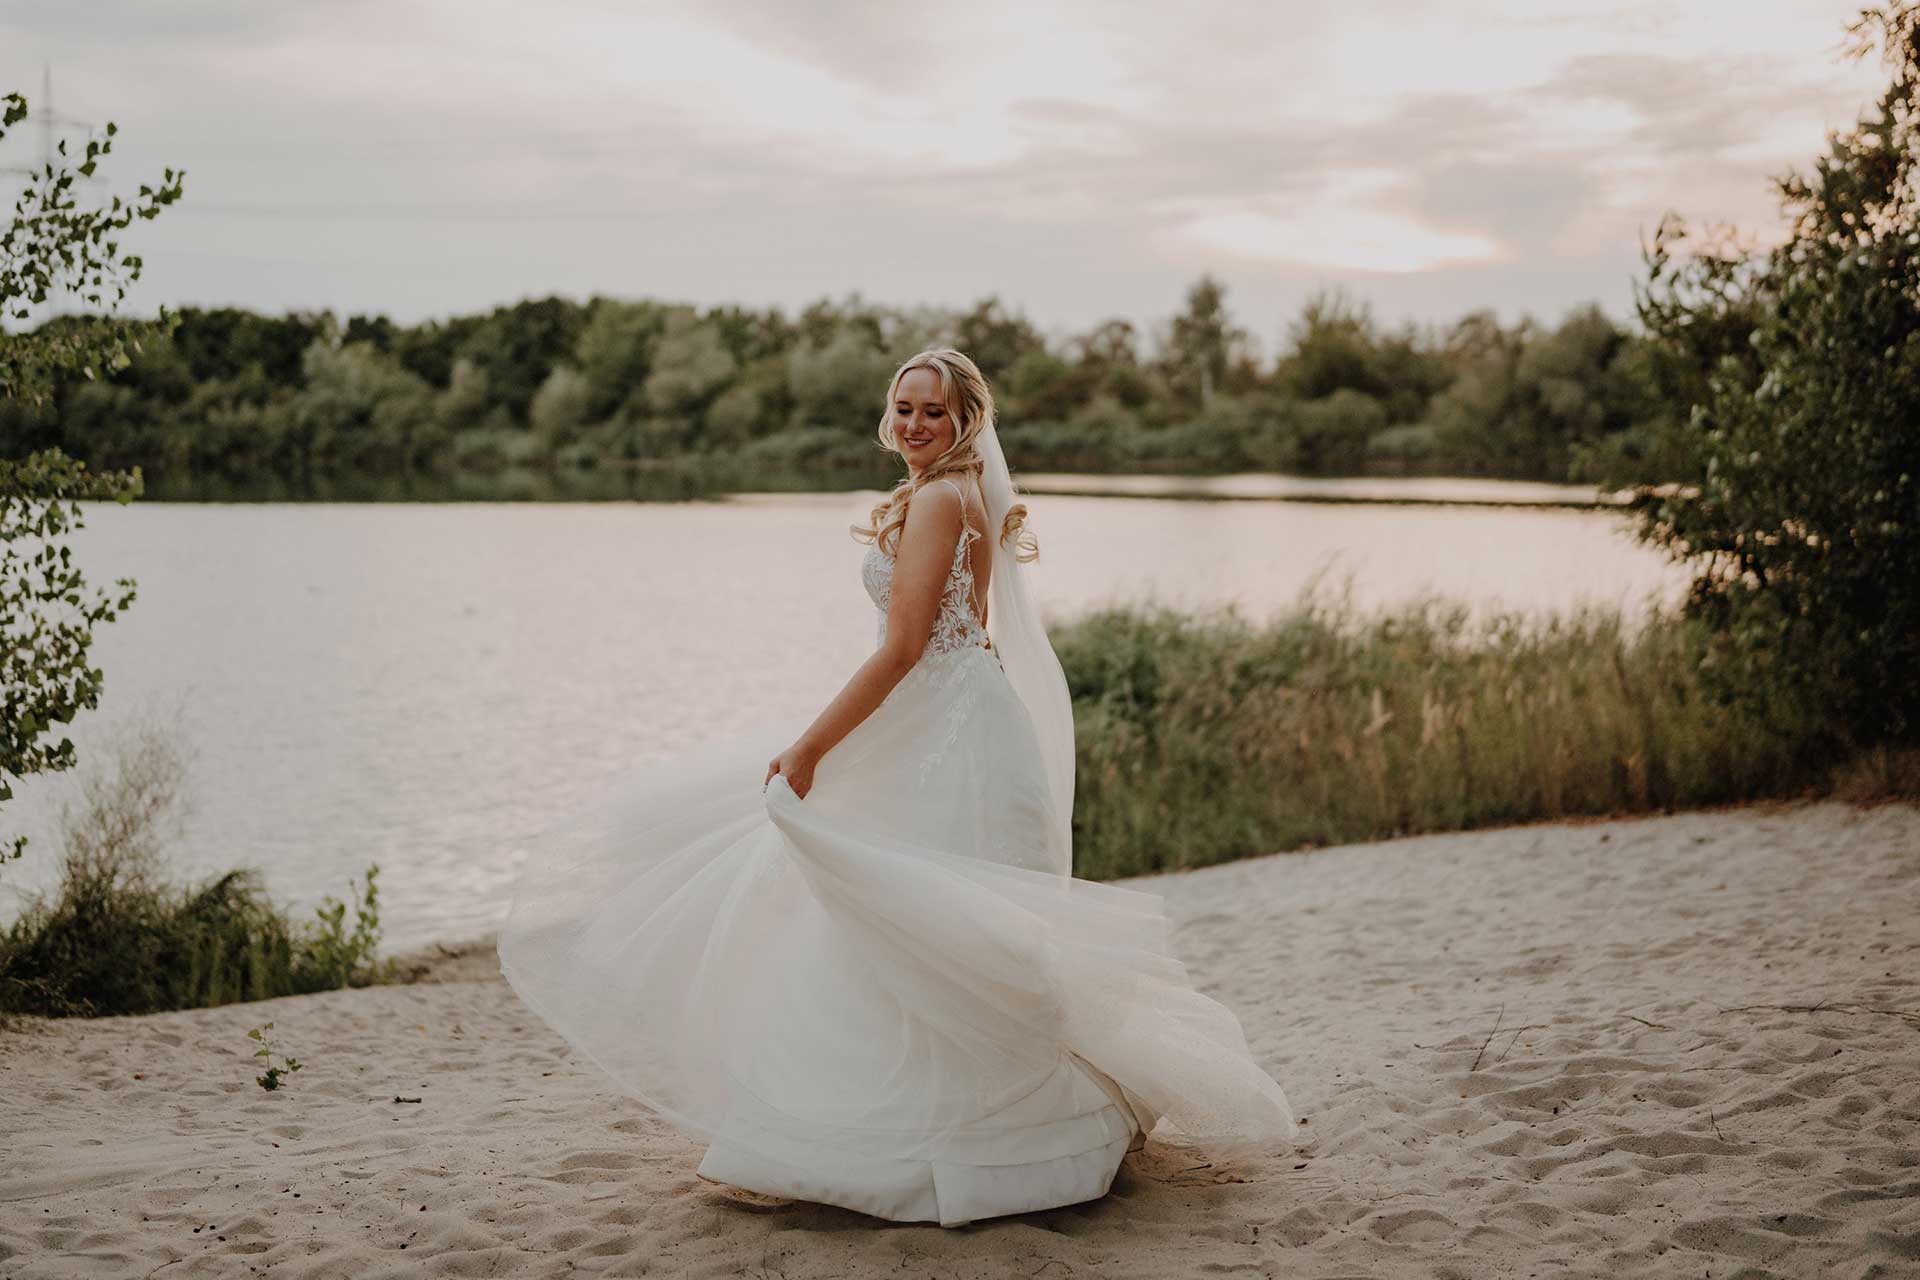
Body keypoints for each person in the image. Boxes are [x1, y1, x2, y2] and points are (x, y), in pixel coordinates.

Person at [497, 348, 1295, 1227]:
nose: (916, 425)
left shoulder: (941, 499)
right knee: (937, 925)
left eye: (935, 413)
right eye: (905, 408)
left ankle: (905, 1140)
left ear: (966, 424)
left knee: (906, 917)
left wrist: (810, 745)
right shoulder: (965, 497)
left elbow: (905, 647)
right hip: (964, 720)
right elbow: (969, 632)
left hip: (945, 731)